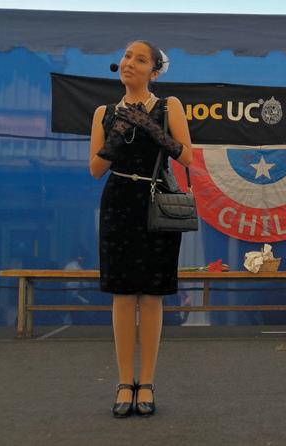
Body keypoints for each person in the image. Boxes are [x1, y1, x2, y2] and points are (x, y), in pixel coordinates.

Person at [88, 40, 193, 418]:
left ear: (155, 71)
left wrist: (148, 125)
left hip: (156, 199)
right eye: (127, 56)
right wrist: (117, 135)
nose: (130, 62)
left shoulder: (169, 106)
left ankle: (146, 382)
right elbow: (95, 170)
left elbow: (187, 156)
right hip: (118, 202)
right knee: (121, 294)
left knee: (151, 295)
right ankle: (123, 382)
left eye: (140, 59)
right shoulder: (103, 112)